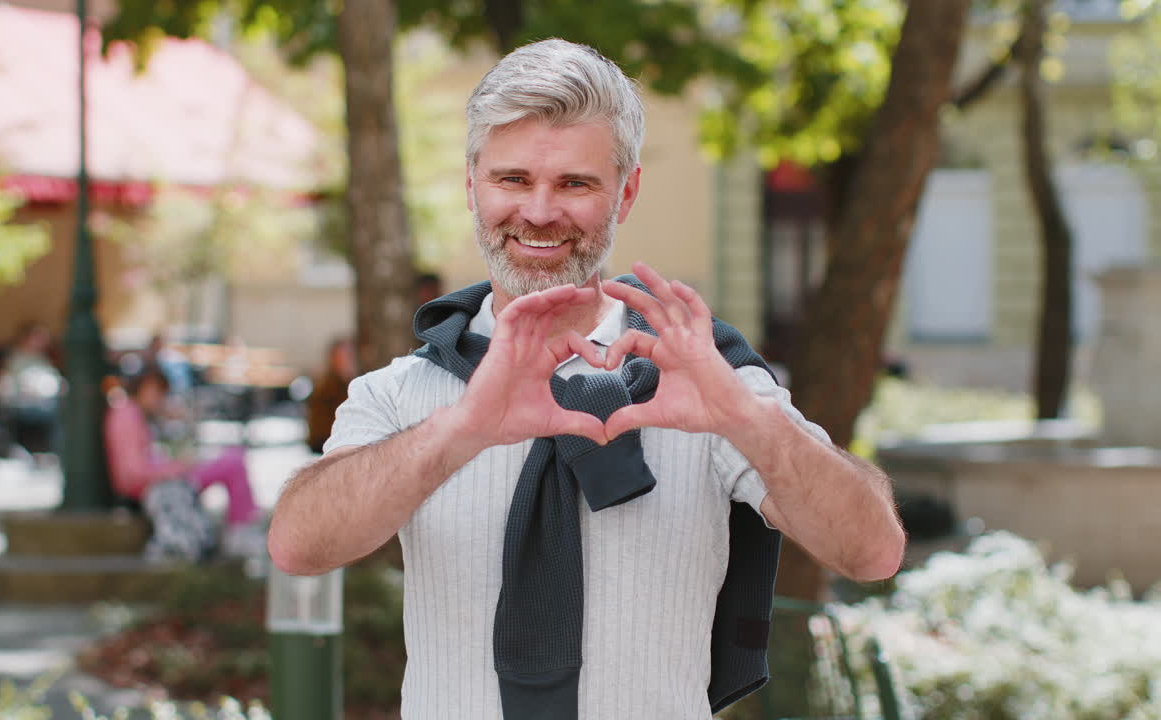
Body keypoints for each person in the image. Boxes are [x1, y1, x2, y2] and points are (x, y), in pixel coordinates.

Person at [268, 38, 905, 720]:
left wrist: (744, 419)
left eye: (575, 183)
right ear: (471, 184)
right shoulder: (401, 393)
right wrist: (462, 428)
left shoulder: (702, 378)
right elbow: (298, 546)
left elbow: (871, 551)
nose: (539, 212)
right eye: (512, 179)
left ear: (626, 192)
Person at [105, 366, 262, 561]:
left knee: (233, 459)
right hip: (157, 484)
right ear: (142, 387)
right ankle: (241, 529)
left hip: (162, 480)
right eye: (156, 391)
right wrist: (175, 468)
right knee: (233, 461)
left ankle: (242, 528)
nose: (159, 398)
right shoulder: (128, 415)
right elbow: (133, 472)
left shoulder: (134, 413)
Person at [0, 321, 64, 454]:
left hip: (47, 400)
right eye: (37, 338)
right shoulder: (16, 359)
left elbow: (53, 379)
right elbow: (10, 387)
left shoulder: (41, 358)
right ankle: (57, 449)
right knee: (57, 412)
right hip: (25, 406)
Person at [306, 336, 356, 454]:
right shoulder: (324, 391)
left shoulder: (360, 386)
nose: (345, 361)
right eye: (341, 357)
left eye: (348, 357)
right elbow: (318, 435)